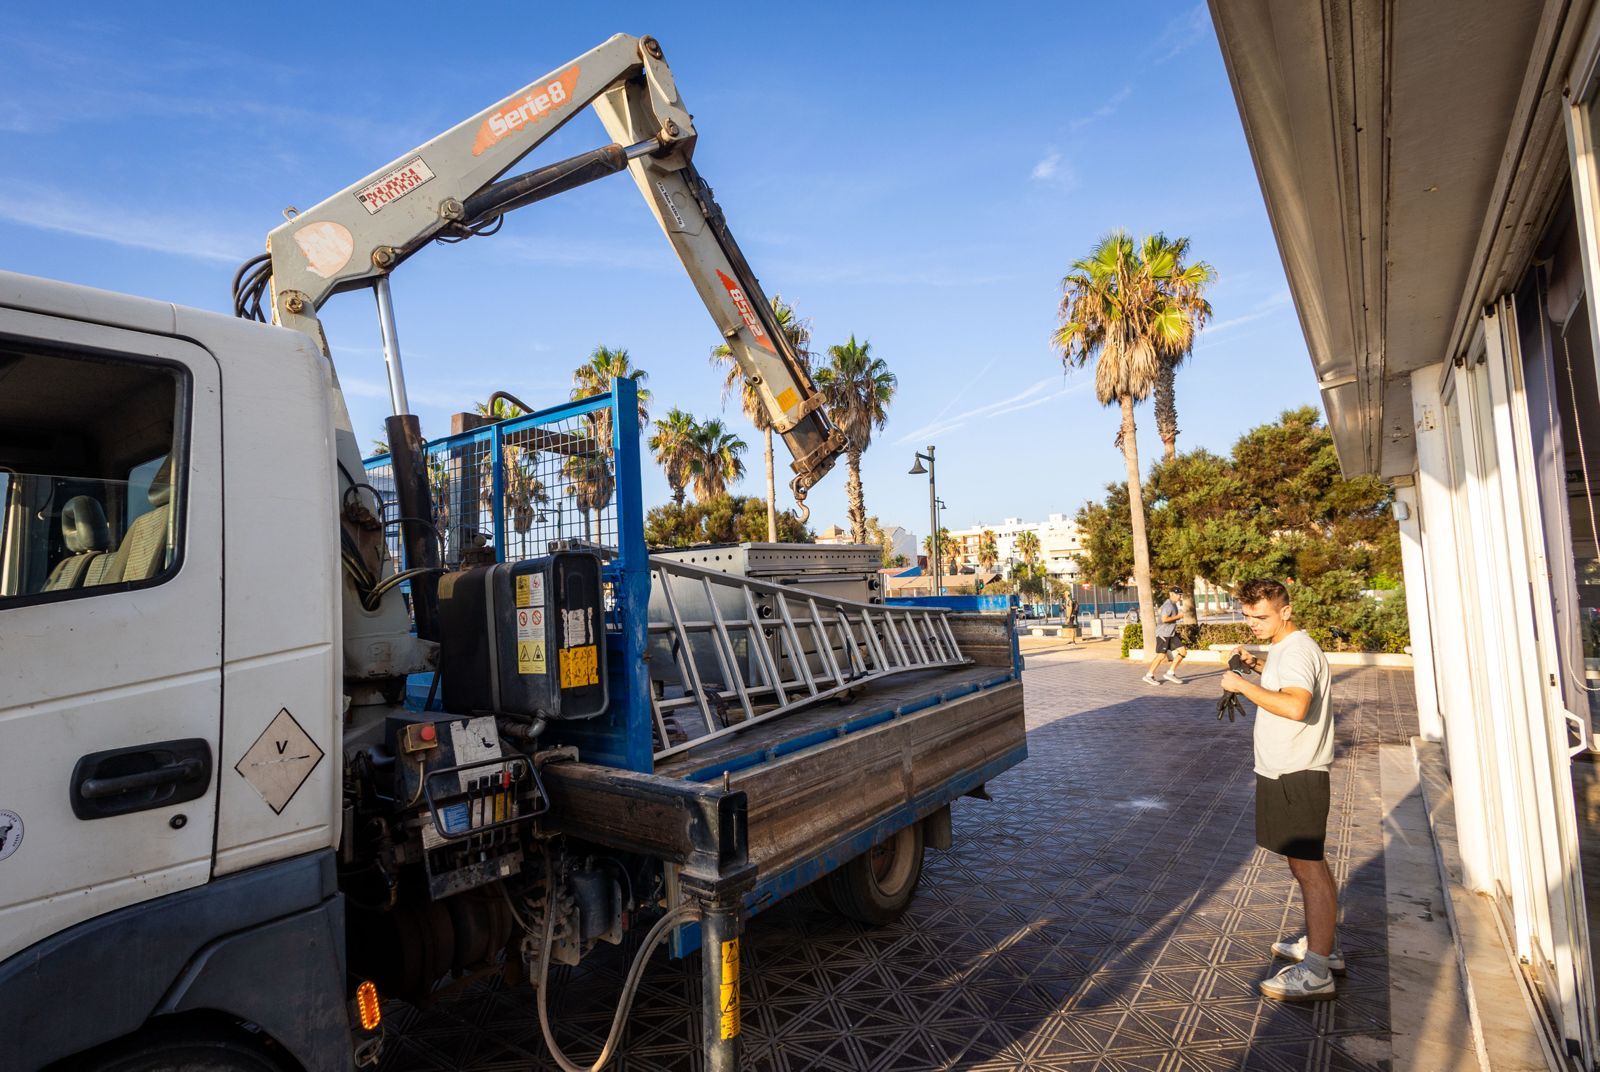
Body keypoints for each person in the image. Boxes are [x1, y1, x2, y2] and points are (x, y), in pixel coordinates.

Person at [1220, 578, 1338, 1002]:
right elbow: (1286, 684)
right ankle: (1324, 946)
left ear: (1286, 611)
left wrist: (1242, 686)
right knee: (1310, 864)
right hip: (1289, 771)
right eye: (1247, 615)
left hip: (1296, 773)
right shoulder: (1287, 648)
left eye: (1261, 616)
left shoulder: (1298, 650)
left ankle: (1317, 970)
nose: (1252, 623)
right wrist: (1256, 667)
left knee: (1308, 869)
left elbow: (1295, 705)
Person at [1143, 585, 1187, 685]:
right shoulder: (1168, 605)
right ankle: (1149, 675)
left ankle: (1170, 673)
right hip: (1163, 634)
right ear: (1171, 594)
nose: (1179, 596)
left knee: (1183, 652)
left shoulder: (1173, 604)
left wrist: (1177, 617)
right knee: (1161, 656)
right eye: (1177, 594)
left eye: (1180, 595)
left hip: (1171, 634)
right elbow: (1164, 619)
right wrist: (1179, 616)